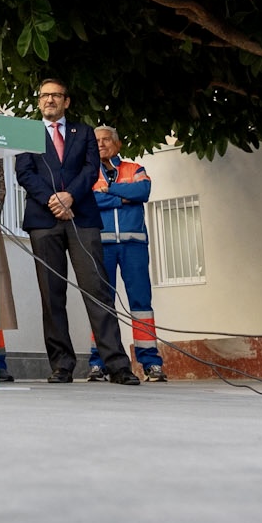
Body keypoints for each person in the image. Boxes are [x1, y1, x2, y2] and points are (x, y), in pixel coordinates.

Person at [14, 79, 138, 386]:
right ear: (39, 101)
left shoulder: (83, 132)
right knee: (51, 295)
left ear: (66, 101)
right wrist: (52, 200)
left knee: (97, 290)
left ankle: (118, 365)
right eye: (45, 96)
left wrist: (69, 196)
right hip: (44, 220)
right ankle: (62, 365)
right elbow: (24, 172)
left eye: (56, 95)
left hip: (82, 217)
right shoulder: (26, 132)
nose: (50, 100)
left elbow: (90, 168)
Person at [85, 126, 166, 382]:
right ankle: (99, 362)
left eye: (106, 139)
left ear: (117, 145)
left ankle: (150, 363)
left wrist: (108, 192)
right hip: (102, 245)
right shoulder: (88, 173)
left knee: (141, 304)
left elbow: (142, 192)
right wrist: (122, 196)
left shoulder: (134, 169)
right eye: (96, 140)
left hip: (134, 245)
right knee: (101, 304)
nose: (101, 144)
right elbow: (90, 201)